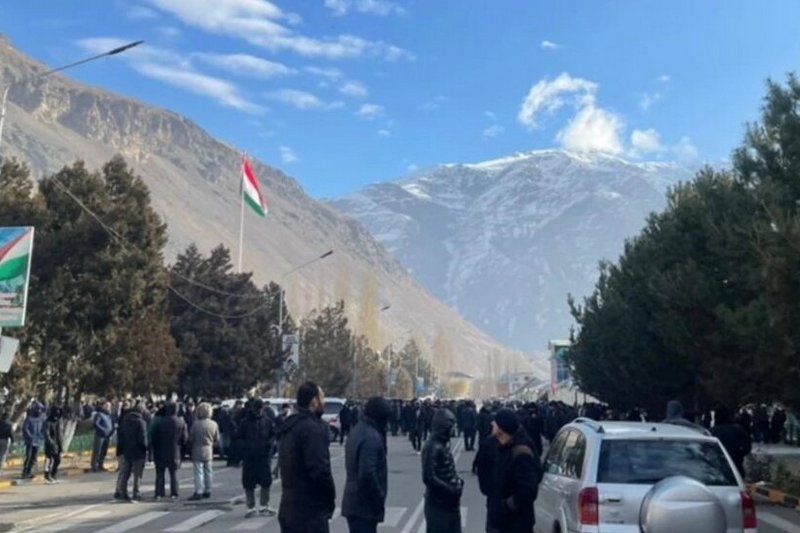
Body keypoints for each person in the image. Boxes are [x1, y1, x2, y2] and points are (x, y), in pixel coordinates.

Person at [278, 382, 336, 533]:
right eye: (322, 398)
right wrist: (329, 501)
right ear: (314, 401)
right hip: (308, 512)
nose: (324, 402)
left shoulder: (290, 425)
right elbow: (320, 471)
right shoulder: (310, 429)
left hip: (289, 507)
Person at [485, 409, 542, 533]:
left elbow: (528, 490)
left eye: (495, 422)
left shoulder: (521, 452)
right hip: (502, 521)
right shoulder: (504, 445)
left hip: (515, 523)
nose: (492, 424)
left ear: (502, 428)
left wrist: (506, 505)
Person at [342, 397, 392, 533]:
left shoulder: (358, 430)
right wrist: (379, 497)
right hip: (364, 505)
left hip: (354, 501)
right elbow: (367, 473)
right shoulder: (371, 437)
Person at [421, 408, 463, 533]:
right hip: (439, 503)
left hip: (448, 502)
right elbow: (429, 477)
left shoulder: (442, 444)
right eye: (451, 426)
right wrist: (450, 489)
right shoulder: (433, 447)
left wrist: (458, 482)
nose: (453, 429)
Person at [238, 398, 275, 517]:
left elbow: (272, 436)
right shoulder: (245, 422)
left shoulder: (267, 421)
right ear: (252, 408)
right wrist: (245, 449)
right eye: (256, 409)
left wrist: (269, 447)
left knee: (266, 482)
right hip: (249, 457)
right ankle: (251, 507)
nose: (258, 411)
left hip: (263, 457)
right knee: (249, 483)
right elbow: (239, 438)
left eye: (260, 409)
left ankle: (264, 506)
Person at [151, 401, 187, 500]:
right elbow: (184, 439)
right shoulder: (181, 422)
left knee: (160, 473)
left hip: (160, 450)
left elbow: (154, 437)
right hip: (175, 450)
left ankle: (159, 493)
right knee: (173, 473)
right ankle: (174, 493)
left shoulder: (160, 422)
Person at [188, 402, 219, 501]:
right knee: (208, 471)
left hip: (197, 449)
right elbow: (217, 438)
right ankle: (208, 490)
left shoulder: (196, 424)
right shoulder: (214, 424)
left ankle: (199, 491)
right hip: (209, 449)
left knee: (198, 472)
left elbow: (191, 438)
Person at [117, 403, 148, 502]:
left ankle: (123, 492)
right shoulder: (141, 422)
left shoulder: (125, 421)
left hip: (127, 450)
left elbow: (122, 436)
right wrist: (145, 448)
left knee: (126, 473)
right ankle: (136, 493)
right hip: (138, 451)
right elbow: (142, 438)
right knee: (137, 474)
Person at [711, 405, 751, 478]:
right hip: (736, 467)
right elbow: (747, 448)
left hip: (716, 470)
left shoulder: (711, 432)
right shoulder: (738, 430)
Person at [21, 402, 45, 479]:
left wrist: (42, 436)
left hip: (38, 441)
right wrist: (30, 436)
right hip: (30, 441)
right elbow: (25, 428)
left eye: (40, 409)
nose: (39, 411)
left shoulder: (42, 419)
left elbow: (44, 428)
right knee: (28, 457)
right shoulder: (29, 418)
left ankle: (30, 471)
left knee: (34, 458)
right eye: (37, 409)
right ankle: (25, 473)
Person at [91, 402, 114, 472]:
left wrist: (111, 431)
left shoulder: (109, 415)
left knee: (103, 452)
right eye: (106, 405)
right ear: (103, 406)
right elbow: (96, 424)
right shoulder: (99, 414)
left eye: (109, 406)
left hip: (107, 436)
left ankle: (100, 465)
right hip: (100, 435)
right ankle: (94, 466)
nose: (107, 407)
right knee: (97, 451)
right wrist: (103, 430)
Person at [43, 406, 63, 484]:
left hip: (58, 444)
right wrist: (51, 443)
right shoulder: (47, 422)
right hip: (50, 445)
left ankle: (53, 474)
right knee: (49, 460)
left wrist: (60, 444)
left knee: (58, 460)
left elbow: (60, 433)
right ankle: (47, 475)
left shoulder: (58, 422)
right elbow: (46, 434)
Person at [0, 411, 14, 475]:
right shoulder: (9, 425)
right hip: (4, 440)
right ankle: (0, 469)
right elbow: (11, 433)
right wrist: (13, 440)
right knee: (2, 455)